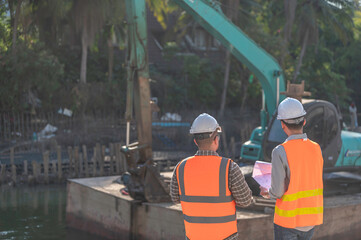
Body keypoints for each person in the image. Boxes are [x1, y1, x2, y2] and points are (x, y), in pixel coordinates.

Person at [170, 113, 253, 240]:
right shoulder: (229, 167)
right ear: (216, 139)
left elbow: (175, 199)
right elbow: (245, 200)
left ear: (195, 141)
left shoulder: (180, 167)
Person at [260, 97, 324, 240]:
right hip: (310, 220)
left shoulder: (280, 151)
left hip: (288, 221)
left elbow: (277, 192)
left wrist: (266, 192)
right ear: (304, 121)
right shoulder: (316, 148)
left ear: (283, 125)